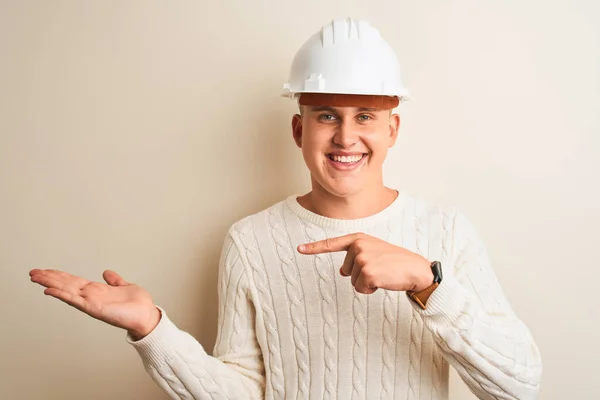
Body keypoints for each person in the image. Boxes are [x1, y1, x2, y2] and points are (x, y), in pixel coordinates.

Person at [29, 18, 542, 399]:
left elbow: (517, 386)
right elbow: (241, 391)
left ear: (392, 128)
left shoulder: (445, 231)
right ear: (299, 130)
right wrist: (152, 330)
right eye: (326, 115)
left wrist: (429, 285)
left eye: (365, 115)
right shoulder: (250, 241)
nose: (345, 136)